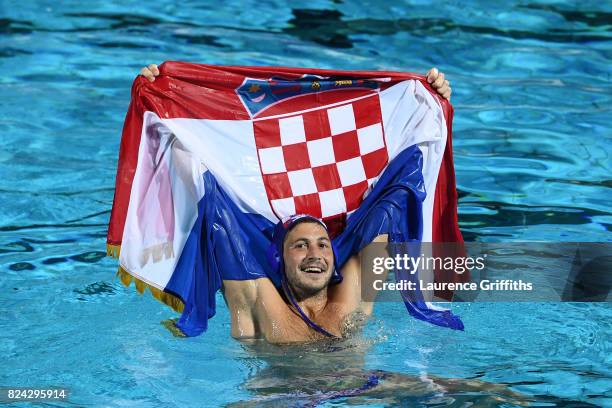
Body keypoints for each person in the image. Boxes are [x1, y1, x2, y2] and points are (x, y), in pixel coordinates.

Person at [141, 64, 453, 343]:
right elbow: (208, 196)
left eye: (322, 244)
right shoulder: (258, 307)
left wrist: (428, 106)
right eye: (300, 245)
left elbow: (395, 199)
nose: (315, 254)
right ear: (278, 258)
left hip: (360, 389)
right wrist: (161, 103)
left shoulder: (351, 301)